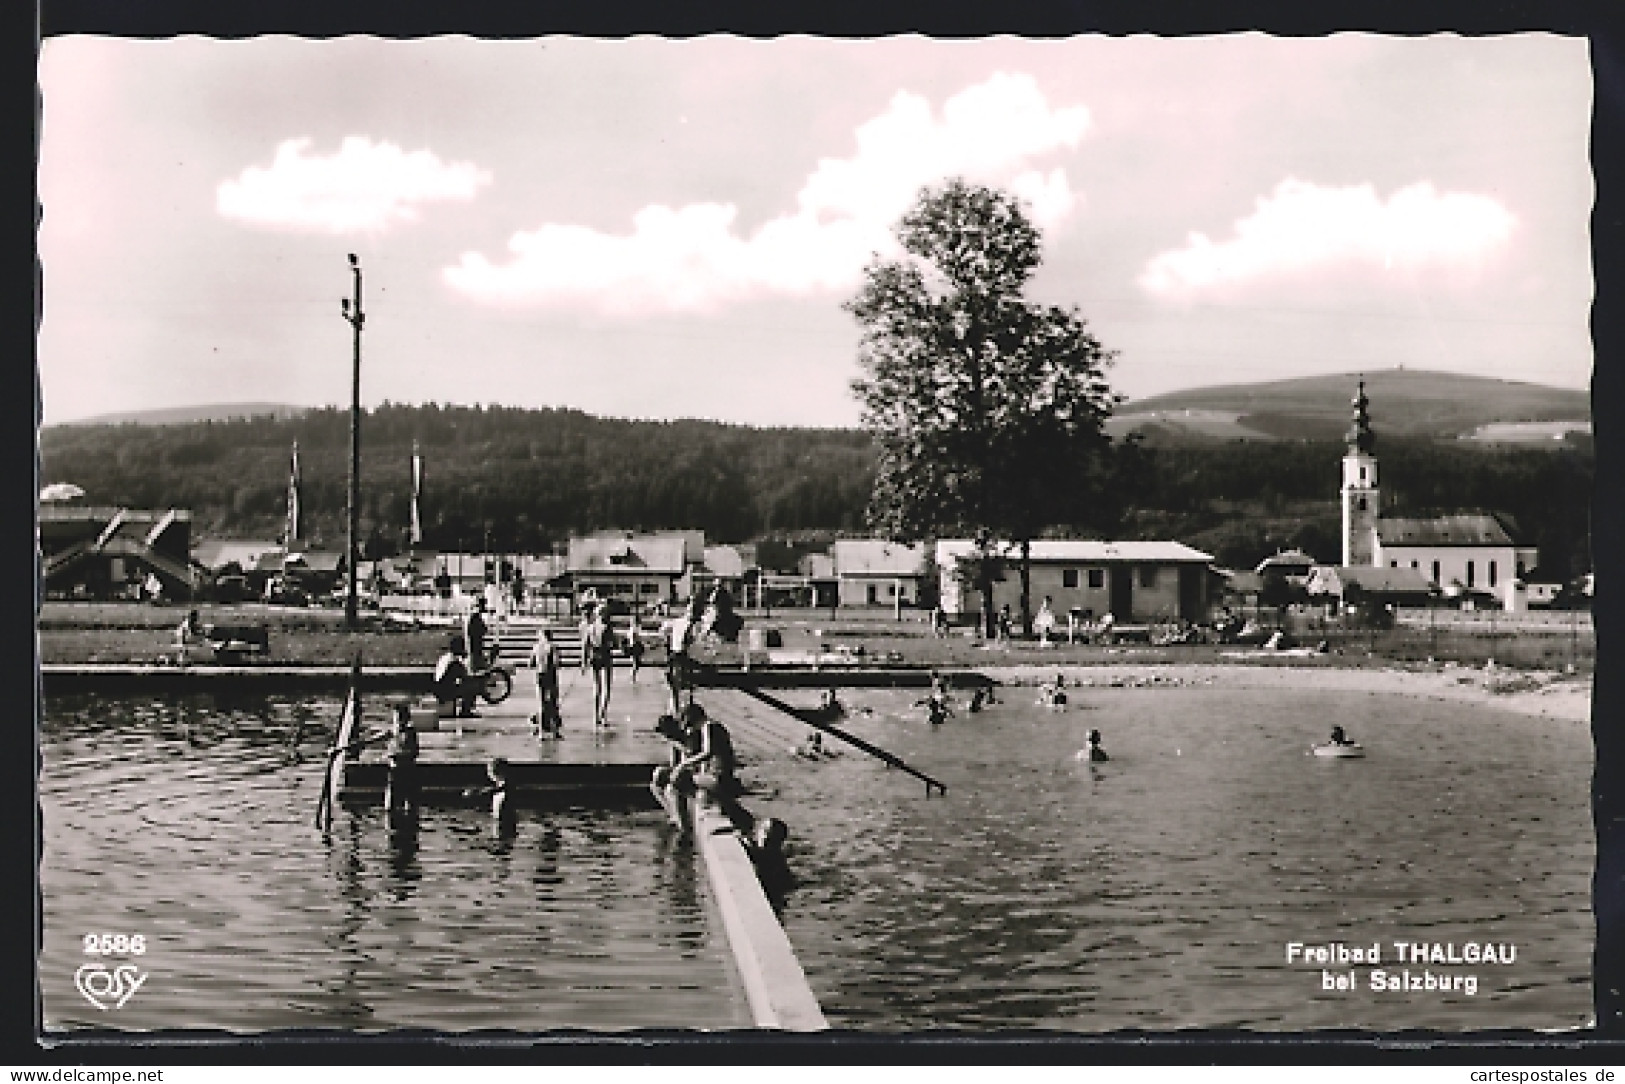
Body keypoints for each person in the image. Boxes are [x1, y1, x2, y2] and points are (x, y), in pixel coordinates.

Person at [672, 703, 740, 810]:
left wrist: (683, 764)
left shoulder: (708, 726)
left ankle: (683, 817)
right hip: (718, 774)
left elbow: (707, 753)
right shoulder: (711, 726)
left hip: (718, 776)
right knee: (682, 780)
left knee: (678, 781)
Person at [663, 593, 707, 716]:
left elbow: (666, 632)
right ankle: (678, 711)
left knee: (679, 687)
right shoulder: (682, 623)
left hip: (680, 656)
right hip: (679, 656)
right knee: (679, 686)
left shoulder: (683, 623)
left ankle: (678, 711)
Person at [580, 602, 616, 728]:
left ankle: (596, 716)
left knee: (597, 688)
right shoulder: (607, 627)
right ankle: (603, 714)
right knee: (607, 687)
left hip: (594, 656)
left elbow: (585, 645)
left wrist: (583, 662)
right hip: (605, 656)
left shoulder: (590, 628)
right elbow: (613, 643)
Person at [383, 703, 421, 820]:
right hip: (394, 771)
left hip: (408, 771)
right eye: (396, 719)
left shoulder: (410, 733)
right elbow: (370, 740)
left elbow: (415, 752)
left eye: (400, 719)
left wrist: (397, 755)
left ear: (406, 719)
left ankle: (410, 823)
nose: (398, 722)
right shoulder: (391, 732)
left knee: (411, 804)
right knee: (390, 806)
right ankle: (391, 823)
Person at [432, 635, 479, 718]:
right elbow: (465, 676)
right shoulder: (451, 661)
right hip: (442, 689)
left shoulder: (451, 658)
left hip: (443, 687)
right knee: (472, 686)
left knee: (469, 683)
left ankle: (466, 709)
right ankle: (465, 711)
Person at [530, 628, 562, 738]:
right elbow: (556, 662)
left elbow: (531, 663)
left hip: (540, 675)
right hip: (550, 675)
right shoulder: (552, 647)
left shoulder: (536, 647)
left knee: (541, 703)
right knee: (553, 702)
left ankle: (540, 733)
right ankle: (555, 732)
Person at [464, 598, 491, 673]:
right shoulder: (477, 616)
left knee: (475, 655)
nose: (485, 607)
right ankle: (476, 669)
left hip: (475, 639)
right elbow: (483, 629)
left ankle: (475, 669)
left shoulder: (475, 616)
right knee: (476, 654)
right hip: (476, 639)